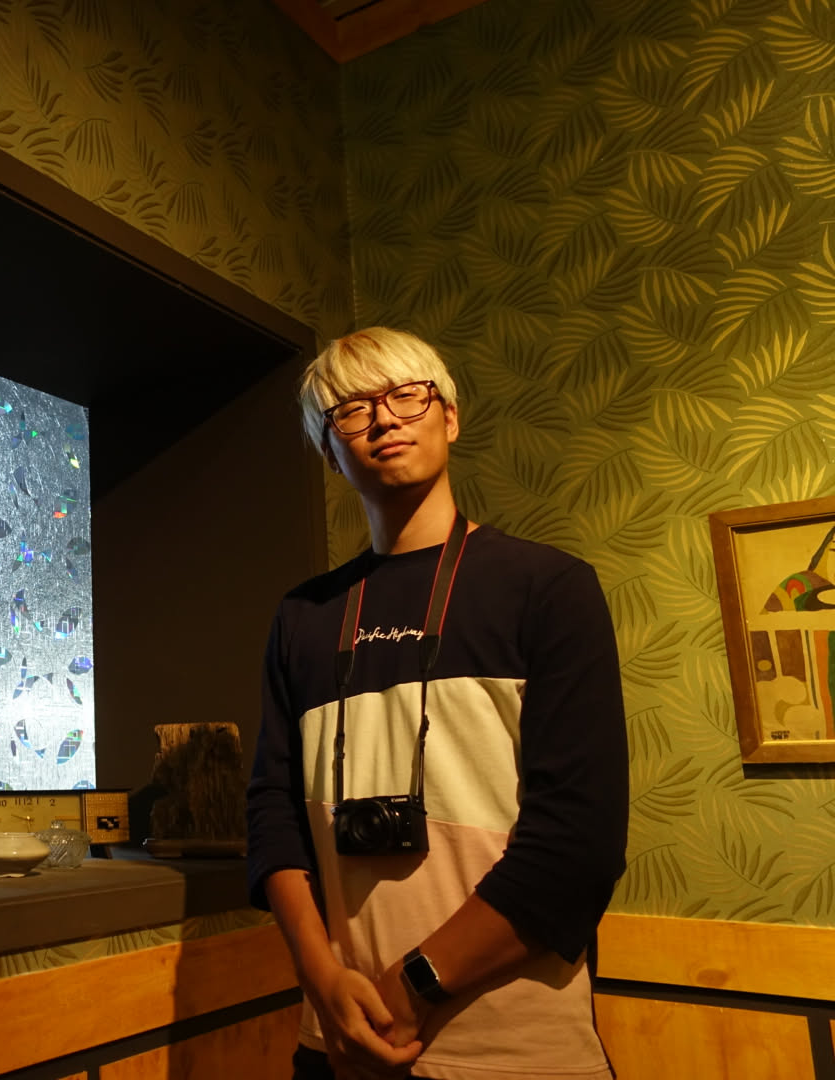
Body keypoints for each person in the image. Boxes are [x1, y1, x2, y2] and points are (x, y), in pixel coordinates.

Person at [246, 328, 628, 1080]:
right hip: (339, 1040)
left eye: (405, 396)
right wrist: (322, 980)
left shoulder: (547, 587)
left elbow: (576, 845)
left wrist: (412, 986)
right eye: (352, 411)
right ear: (329, 452)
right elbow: (273, 816)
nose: (384, 419)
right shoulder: (303, 617)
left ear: (449, 416)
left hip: (512, 1052)